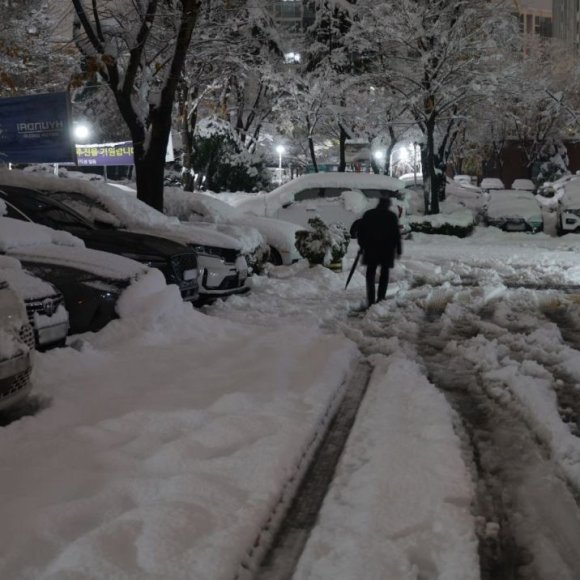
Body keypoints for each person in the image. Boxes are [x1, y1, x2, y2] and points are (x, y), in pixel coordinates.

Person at [356, 195, 402, 307]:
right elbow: (396, 235)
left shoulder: (368, 214)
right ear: (388, 205)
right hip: (386, 250)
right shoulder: (391, 216)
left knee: (370, 273)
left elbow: (360, 232)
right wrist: (398, 249)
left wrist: (362, 245)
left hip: (371, 249)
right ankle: (381, 297)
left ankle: (371, 298)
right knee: (384, 273)